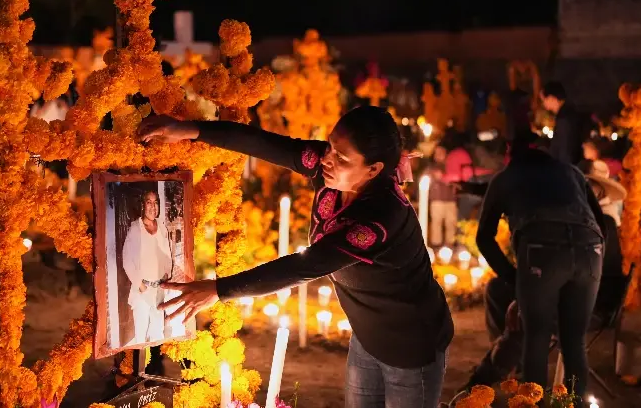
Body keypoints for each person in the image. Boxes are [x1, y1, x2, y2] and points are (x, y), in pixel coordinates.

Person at [139, 106, 453, 408]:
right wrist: (189, 130)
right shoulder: (331, 167)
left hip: (412, 343)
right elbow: (262, 143)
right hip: (367, 334)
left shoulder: (380, 217)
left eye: (341, 157)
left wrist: (219, 290)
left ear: (373, 170)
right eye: (330, 147)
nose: (327, 159)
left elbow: (306, 265)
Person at [461, 157, 626, 394]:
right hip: (573, 290)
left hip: (591, 306)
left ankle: (486, 384)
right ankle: (492, 382)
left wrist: (527, 292)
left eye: (595, 188)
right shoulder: (593, 227)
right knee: (552, 334)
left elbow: (600, 280)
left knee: (531, 332)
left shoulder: (604, 225)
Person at [121, 190, 173, 346]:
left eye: (156, 202)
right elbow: (127, 260)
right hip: (142, 289)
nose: (153, 206)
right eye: (149, 202)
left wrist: (166, 275)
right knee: (141, 334)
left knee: (158, 332)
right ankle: (139, 367)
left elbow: (167, 254)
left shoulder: (162, 227)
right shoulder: (136, 229)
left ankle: (154, 366)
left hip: (159, 289)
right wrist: (140, 285)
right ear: (143, 205)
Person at [540, 82, 588, 165]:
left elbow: (565, 150)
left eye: (543, 100)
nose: (543, 104)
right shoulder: (569, 113)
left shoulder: (564, 119)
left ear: (551, 98)